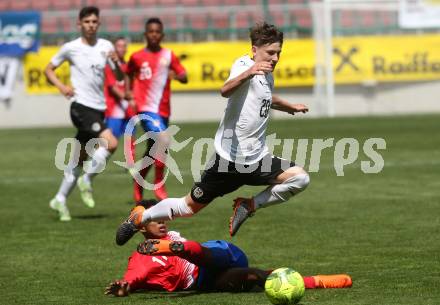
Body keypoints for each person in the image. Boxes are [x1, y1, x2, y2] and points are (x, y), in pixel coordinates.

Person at [115, 22, 309, 244]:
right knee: (188, 207)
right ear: (255, 50)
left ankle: (248, 205)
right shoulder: (244, 64)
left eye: (278, 53)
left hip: (257, 159)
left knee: (300, 178)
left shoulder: (268, 75)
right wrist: (248, 72)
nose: (274, 58)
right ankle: (140, 217)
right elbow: (225, 90)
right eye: (270, 53)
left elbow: (265, 98)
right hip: (228, 161)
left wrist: (290, 106)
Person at [106, 201, 352, 296]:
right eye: (153, 219)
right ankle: (316, 281)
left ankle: (182, 249)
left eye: (162, 217)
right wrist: (124, 286)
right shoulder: (143, 254)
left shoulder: (167, 236)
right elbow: (133, 276)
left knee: (204, 252)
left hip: (212, 256)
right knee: (253, 275)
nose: (162, 222)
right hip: (203, 281)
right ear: (141, 229)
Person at [46, 6, 123, 221]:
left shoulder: (106, 46)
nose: (91, 25)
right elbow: (48, 69)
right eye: (87, 21)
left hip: (98, 109)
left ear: (99, 24)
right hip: (80, 107)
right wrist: (62, 87)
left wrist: (116, 63)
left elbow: (118, 76)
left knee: (79, 158)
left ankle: (59, 199)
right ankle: (87, 180)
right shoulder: (70, 48)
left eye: (94, 21)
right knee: (111, 143)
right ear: (79, 24)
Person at [125, 17, 188, 202]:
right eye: (151, 31)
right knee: (163, 140)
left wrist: (177, 75)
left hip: (163, 110)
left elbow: (184, 76)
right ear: (145, 34)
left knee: (154, 151)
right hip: (145, 108)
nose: (154, 35)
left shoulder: (169, 55)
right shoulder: (136, 56)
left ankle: (138, 183)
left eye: (157, 32)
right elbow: (128, 73)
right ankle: (159, 185)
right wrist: (129, 93)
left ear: (162, 35)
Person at [104, 37, 136, 168]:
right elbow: (113, 88)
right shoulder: (109, 68)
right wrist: (129, 99)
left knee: (131, 140)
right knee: (110, 142)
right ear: (114, 49)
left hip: (129, 110)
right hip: (114, 110)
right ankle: (97, 163)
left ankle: (131, 166)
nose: (122, 49)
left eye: (124, 46)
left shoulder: (129, 67)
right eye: (119, 46)